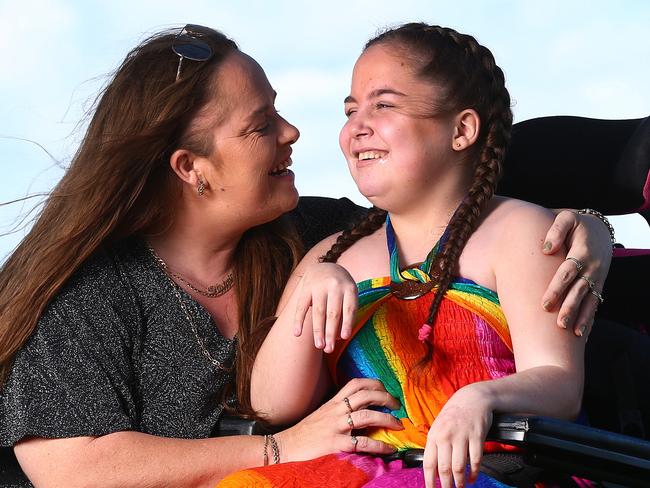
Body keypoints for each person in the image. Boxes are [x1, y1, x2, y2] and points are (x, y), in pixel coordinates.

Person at [0, 24, 610, 487]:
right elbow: (70, 467)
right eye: (261, 124)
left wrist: (591, 228)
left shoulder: (314, 232)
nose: (293, 132)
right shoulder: (90, 294)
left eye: (279, 111)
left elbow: (459, 186)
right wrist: (281, 446)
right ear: (191, 169)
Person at [220, 23, 602, 487]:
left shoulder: (519, 233)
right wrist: (308, 289)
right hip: (367, 464)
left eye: (383, 105)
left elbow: (560, 381)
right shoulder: (332, 255)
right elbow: (272, 404)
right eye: (350, 109)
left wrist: (479, 398)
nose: (357, 127)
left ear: (461, 130)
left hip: (497, 466)